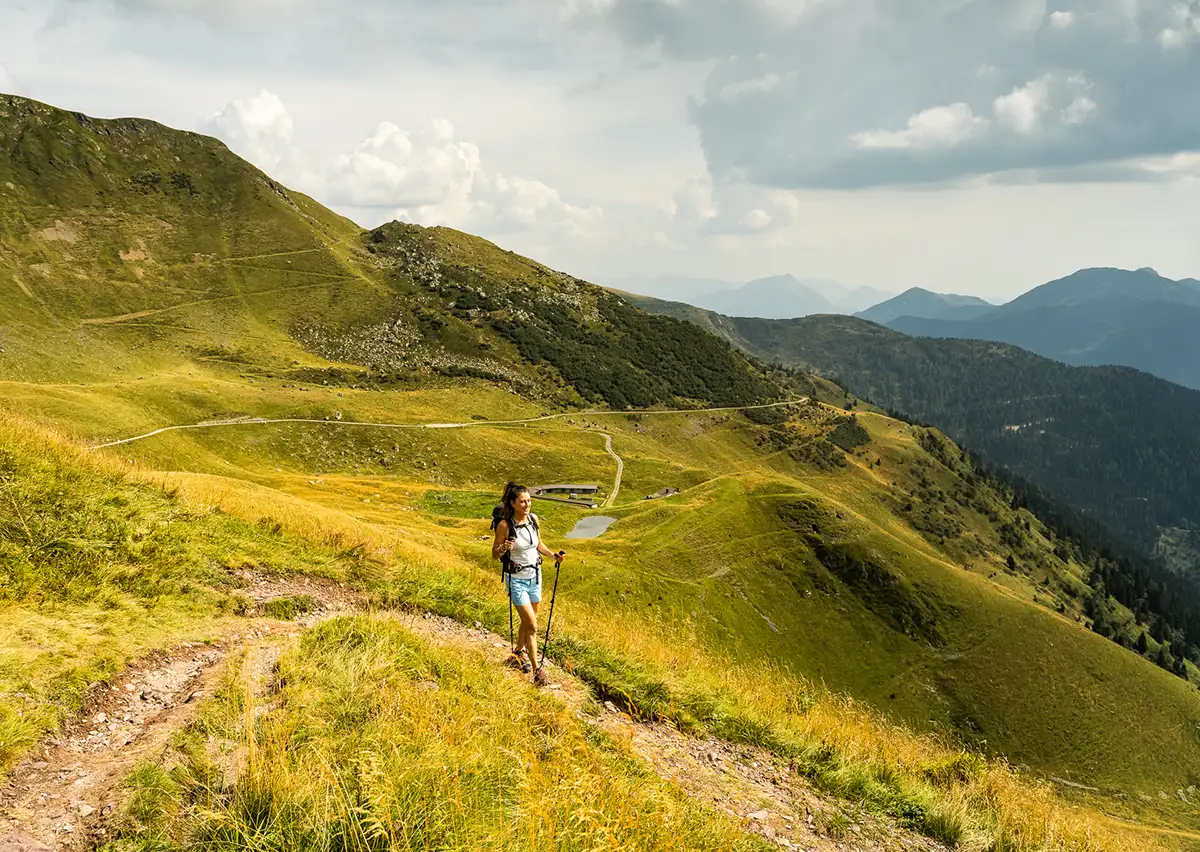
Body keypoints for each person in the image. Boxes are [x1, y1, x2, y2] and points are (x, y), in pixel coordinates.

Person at [492, 481, 566, 686]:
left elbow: (538, 544)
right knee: (532, 626)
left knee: (528, 621)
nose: (527, 505)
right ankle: (537, 671)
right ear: (513, 503)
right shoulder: (505, 526)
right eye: (523, 502)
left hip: (535, 578)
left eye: (529, 501)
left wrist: (553, 555)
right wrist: (504, 548)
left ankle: (517, 654)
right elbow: (493, 554)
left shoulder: (533, 520)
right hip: (516, 580)